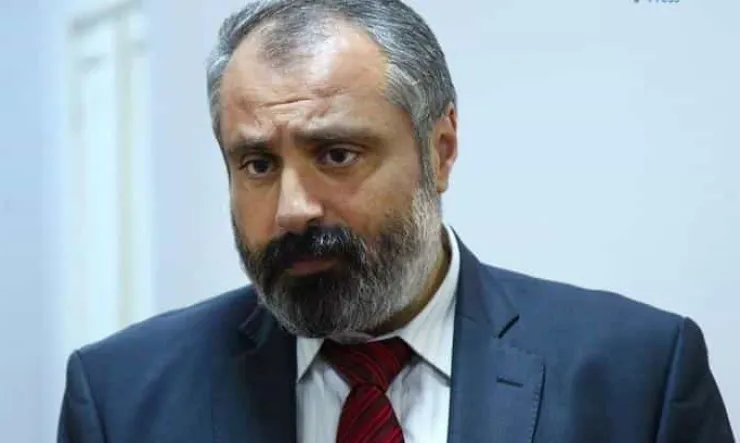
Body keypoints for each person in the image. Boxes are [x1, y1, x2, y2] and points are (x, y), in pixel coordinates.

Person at [57, 0, 735, 442]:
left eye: (336, 154)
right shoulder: (123, 399)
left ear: (440, 150)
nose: (293, 209)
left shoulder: (636, 377)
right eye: (258, 164)